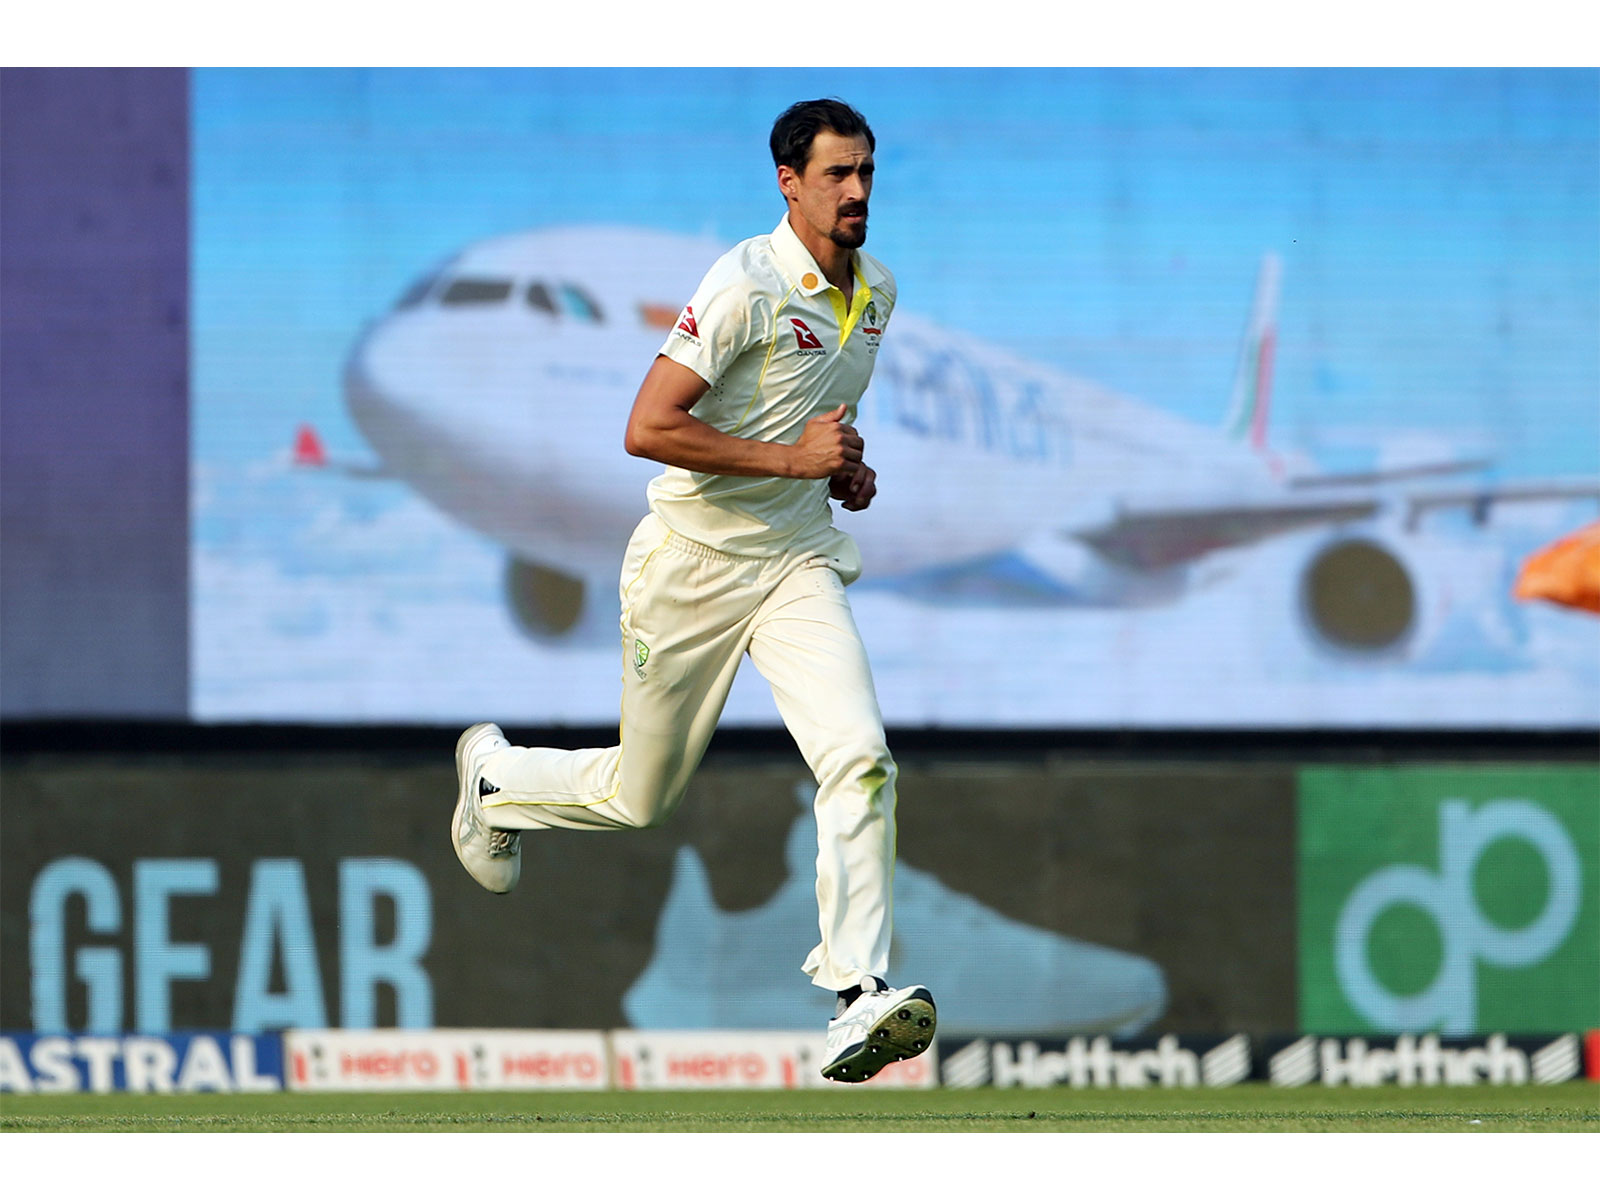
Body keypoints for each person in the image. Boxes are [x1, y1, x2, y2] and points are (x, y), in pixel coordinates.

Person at [450, 97, 935, 1084]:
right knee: (640, 797)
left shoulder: (876, 291)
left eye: (868, 172)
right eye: (837, 174)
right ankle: (495, 783)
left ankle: (855, 997)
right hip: (691, 566)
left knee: (862, 759)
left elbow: (809, 422)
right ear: (788, 182)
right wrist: (794, 461)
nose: (857, 192)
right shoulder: (742, 285)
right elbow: (648, 426)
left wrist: (839, 468)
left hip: (796, 563)